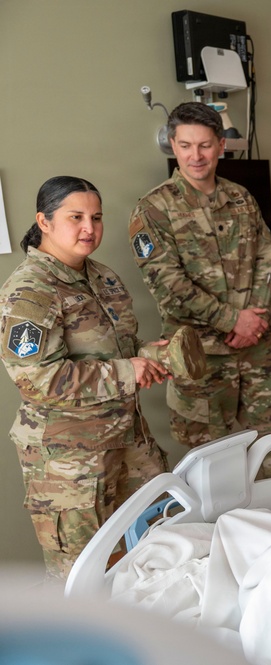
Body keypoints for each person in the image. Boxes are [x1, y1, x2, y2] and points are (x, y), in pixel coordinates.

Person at [0, 176, 169, 579]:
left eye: (96, 217)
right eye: (75, 217)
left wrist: (150, 354)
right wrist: (129, 370)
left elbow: (115, 348)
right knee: (87, 577)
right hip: (71, 467)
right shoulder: (30, 291)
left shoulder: (102, 277)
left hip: (128, 442)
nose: (89, 228)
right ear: (44, 221)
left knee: (158, 554)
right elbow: (37, 379)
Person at [129, 102, 271, 476]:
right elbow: (168, 285)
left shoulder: (241, 199)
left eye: (205, 145)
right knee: (211, 468)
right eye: (186, 145)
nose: (196, 155)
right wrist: (231, 320)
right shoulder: (154, 210)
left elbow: (265, 262)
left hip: (257, 349)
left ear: (221, 145)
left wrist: (254, 318)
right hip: (200, 358)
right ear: (173, 145)